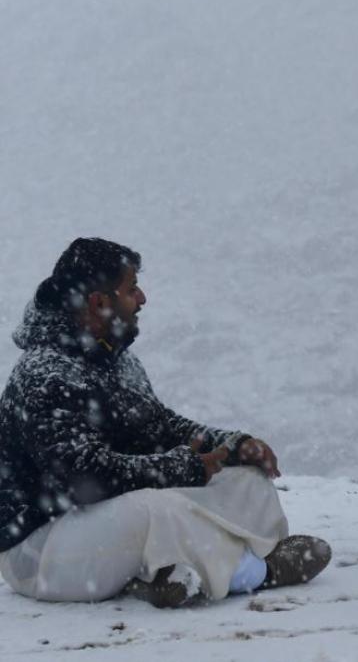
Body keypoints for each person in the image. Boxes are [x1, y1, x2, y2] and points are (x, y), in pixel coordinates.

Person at [0, 238, 330, 608]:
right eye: (131, 288)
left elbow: (159, 427)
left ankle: (165, 575)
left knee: (245, 479)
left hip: (103, 531)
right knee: (156, 509)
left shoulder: (114, 359)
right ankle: (256, 573)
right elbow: (82, 478)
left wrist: (232, 446)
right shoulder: (45, 374)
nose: (142, 298)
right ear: (99, 302)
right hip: (41, 551)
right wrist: (181, 467)